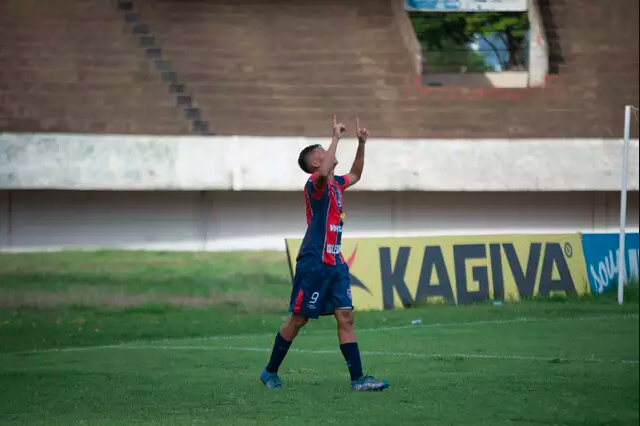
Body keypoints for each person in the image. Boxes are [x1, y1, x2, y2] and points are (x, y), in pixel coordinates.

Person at [259, 115, 390, 392]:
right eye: (322, 153)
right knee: (299, 319)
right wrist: (336, 137)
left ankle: (358, 380)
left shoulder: (336, 183)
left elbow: (356, 174)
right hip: (314, 263)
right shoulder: (315, 185)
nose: (328, 154)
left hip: (335, 262)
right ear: (317, 163)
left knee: (346, 316)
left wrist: (361, 144)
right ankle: (269, 371)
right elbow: (322, 172)